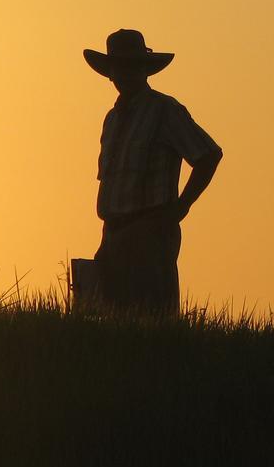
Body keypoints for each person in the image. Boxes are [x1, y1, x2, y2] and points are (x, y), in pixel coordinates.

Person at [78, 29, 222, 316]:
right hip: (112, 233)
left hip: (150, 231)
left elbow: (208, 155)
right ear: (110, 72)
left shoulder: (164, 110)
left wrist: (181, 207)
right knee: (106, 320)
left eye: (132, 65)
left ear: (144, 70)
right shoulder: (113, 119)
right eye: (119, 66)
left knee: (150, 319)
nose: (125, 73)